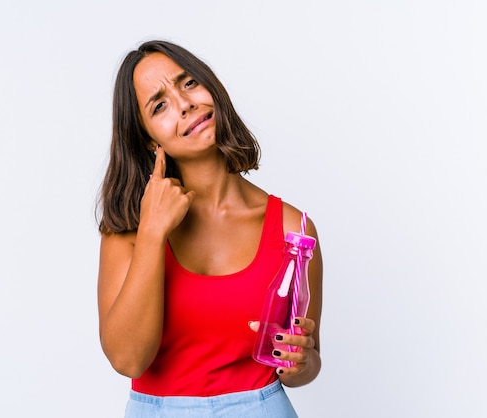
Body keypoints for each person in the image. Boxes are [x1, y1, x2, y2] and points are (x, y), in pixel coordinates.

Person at [97, 40, 323, 417]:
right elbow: (128, 360)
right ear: (149, 137)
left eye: (188, 84)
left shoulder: (293, 228)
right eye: (159, 104)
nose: (184, 104)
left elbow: (305, 363)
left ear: (211, 88)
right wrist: (153, 233)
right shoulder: (129, 228)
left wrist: (301, 360)